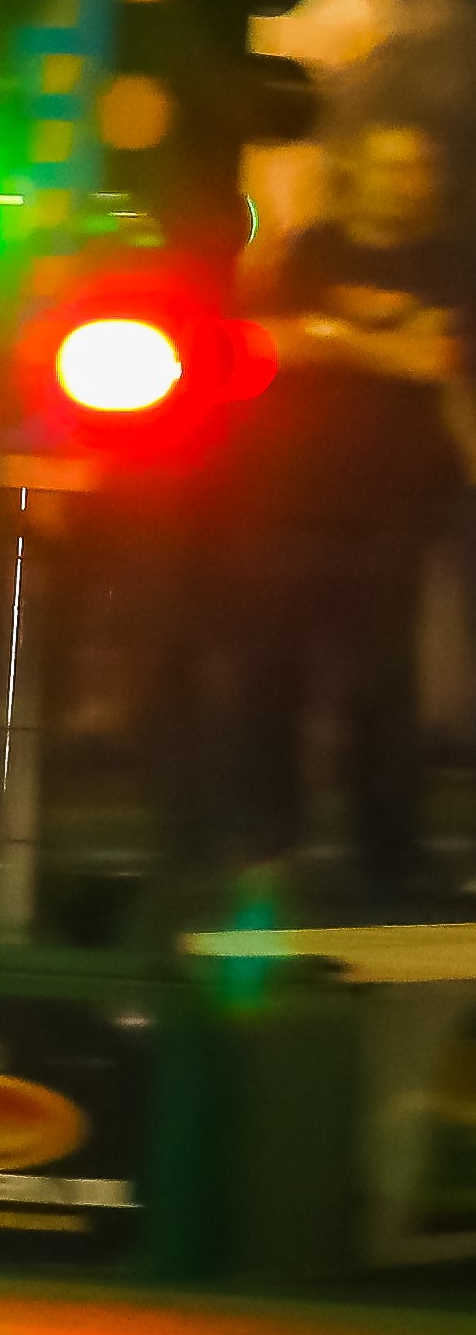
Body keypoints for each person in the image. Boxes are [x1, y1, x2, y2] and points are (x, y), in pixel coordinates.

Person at [225, 121, 476, 906]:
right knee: (272, 680)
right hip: (290, 500)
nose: (406, 179)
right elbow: (266, 343)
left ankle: (391, 858)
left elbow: (434, 359)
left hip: (395, 509)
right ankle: (269, 841)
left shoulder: (450, 262)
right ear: (356, 174)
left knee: (381, 693)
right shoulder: (311, 252)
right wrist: (375, 338)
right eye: (390, 165)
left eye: (417, 166)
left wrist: (333, 334)